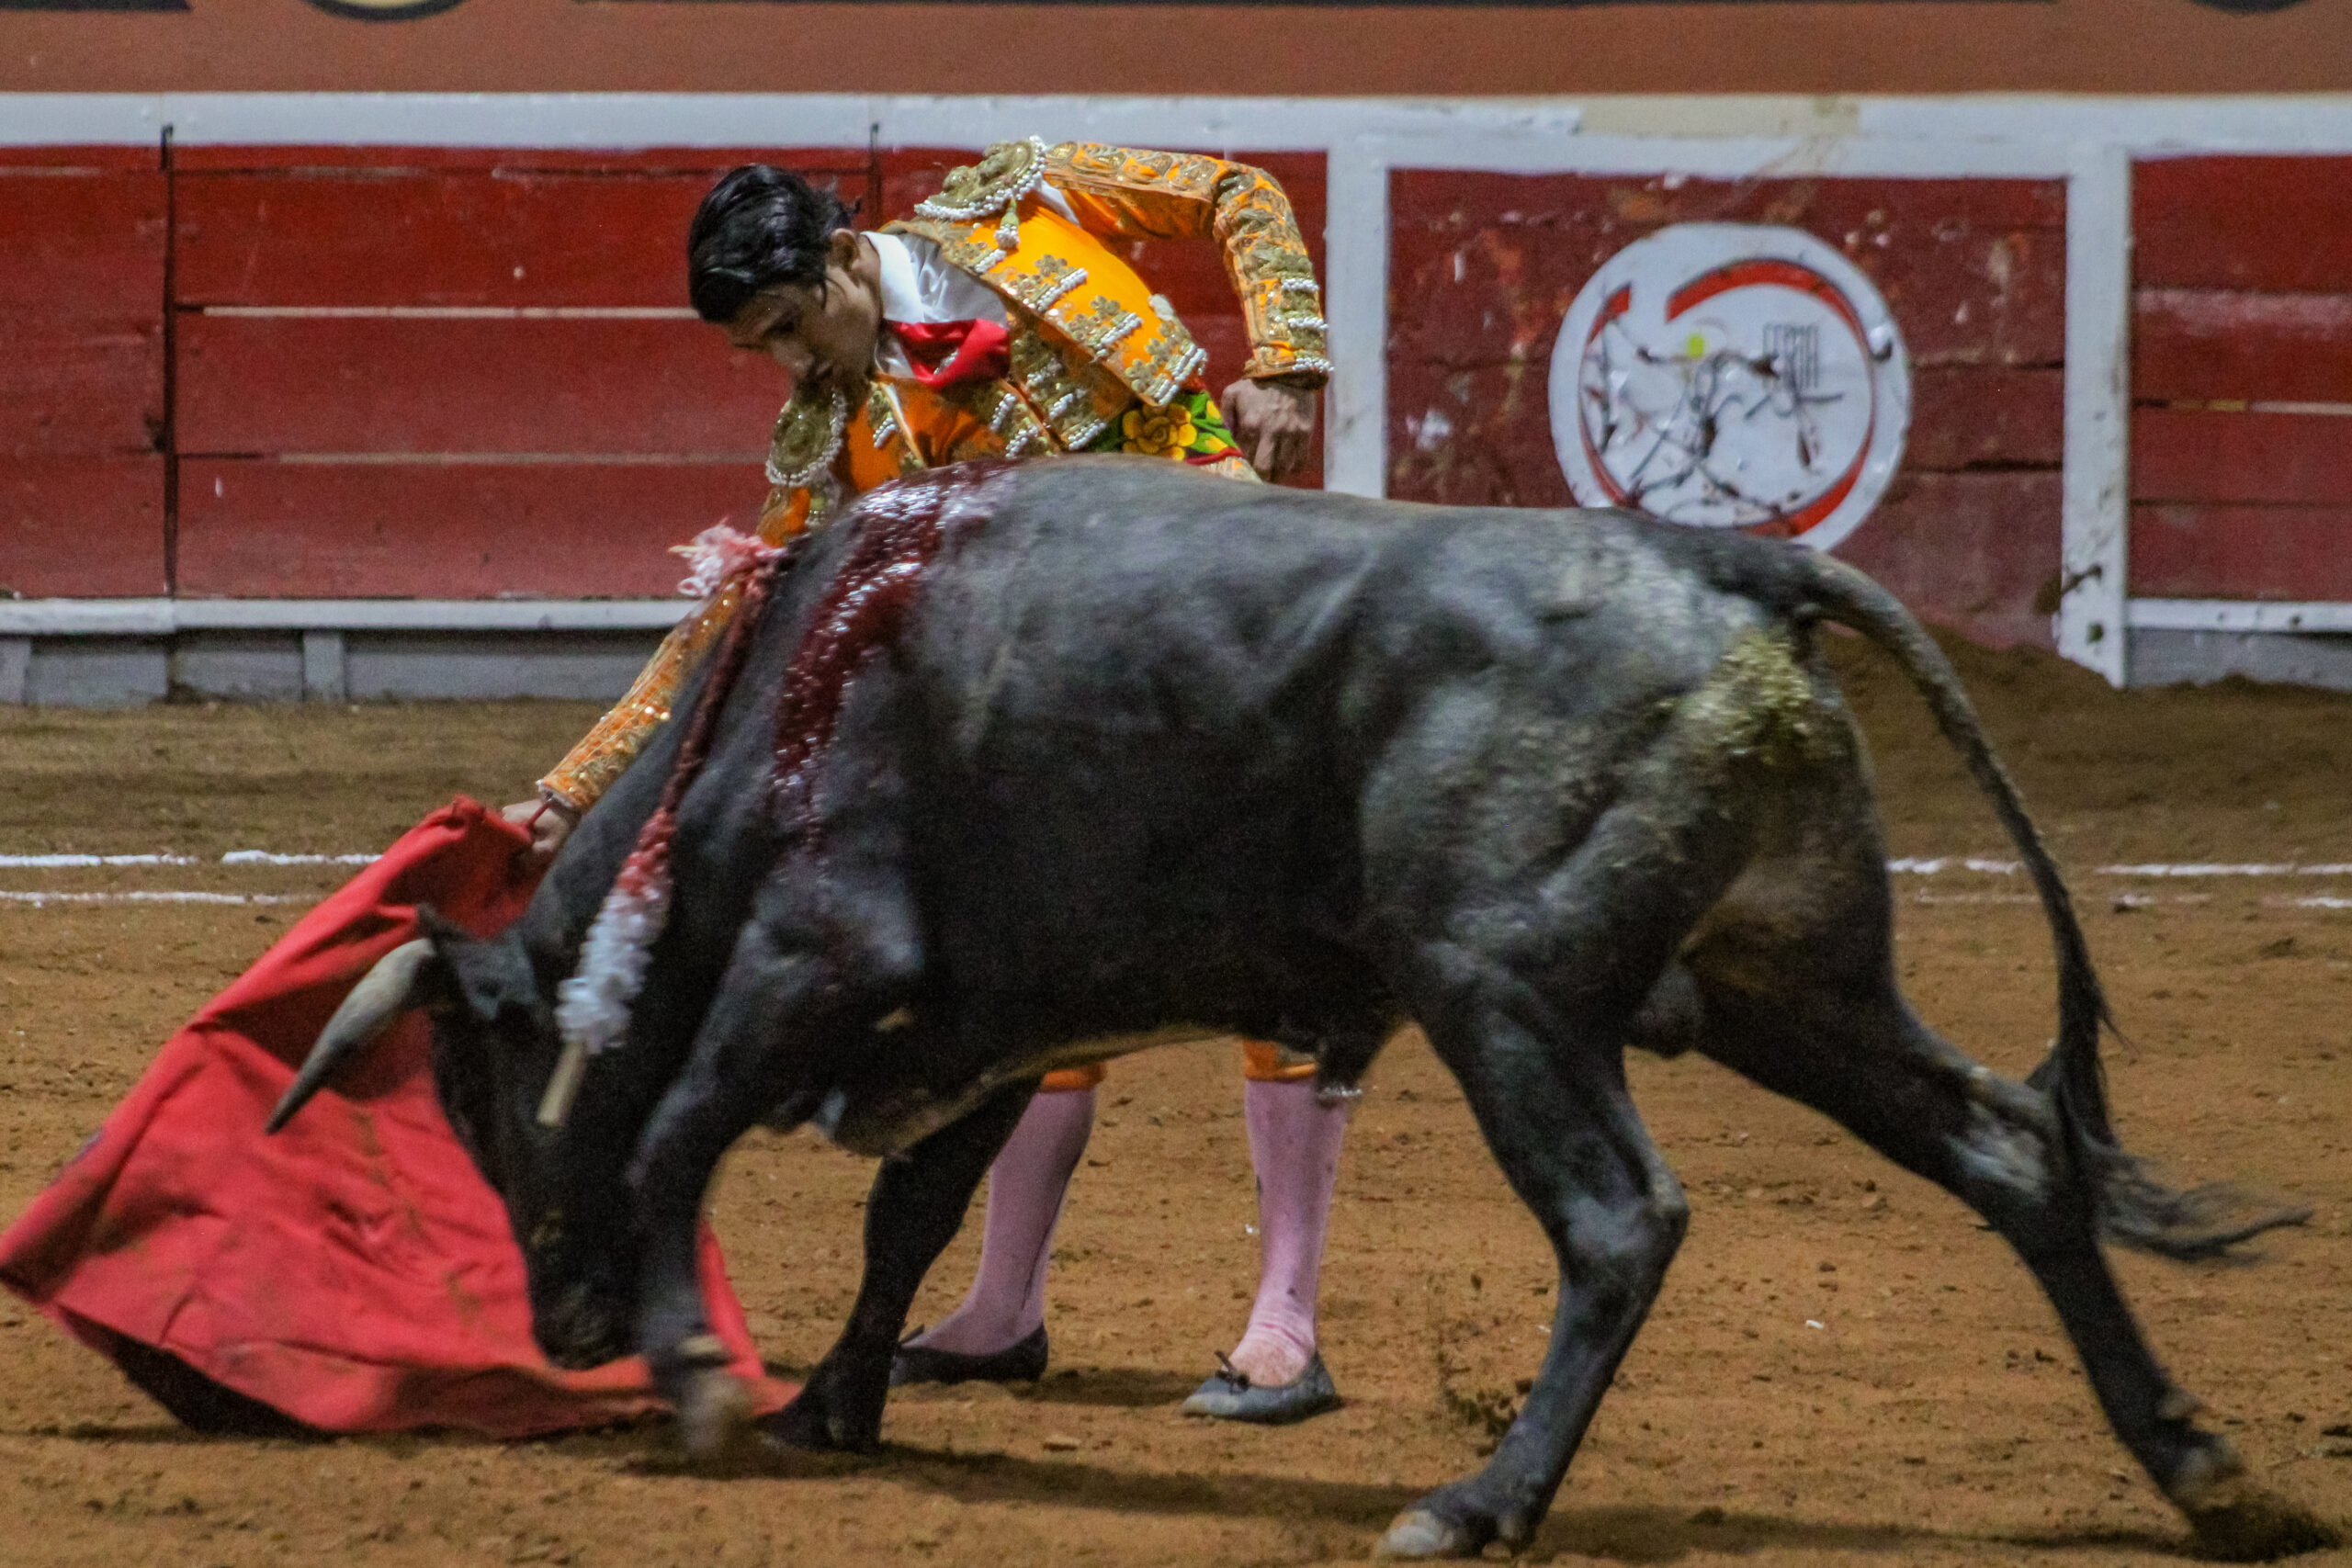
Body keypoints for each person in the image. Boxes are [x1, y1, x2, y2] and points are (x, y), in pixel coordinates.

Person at [503, 139, 1352, 1423]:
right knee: (1036, 992)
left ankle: (1284, 1319)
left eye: (794, 326)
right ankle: (1004, 1307)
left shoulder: (1014, 205)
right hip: (1053, 705)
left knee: (1278, 957)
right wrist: (571, 789)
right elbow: (731, 632)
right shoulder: (822, 434)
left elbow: (1237, 191)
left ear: (846, 254)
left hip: (1218, 615)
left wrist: (1285, 357)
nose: (792, 366)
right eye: (763, 350)